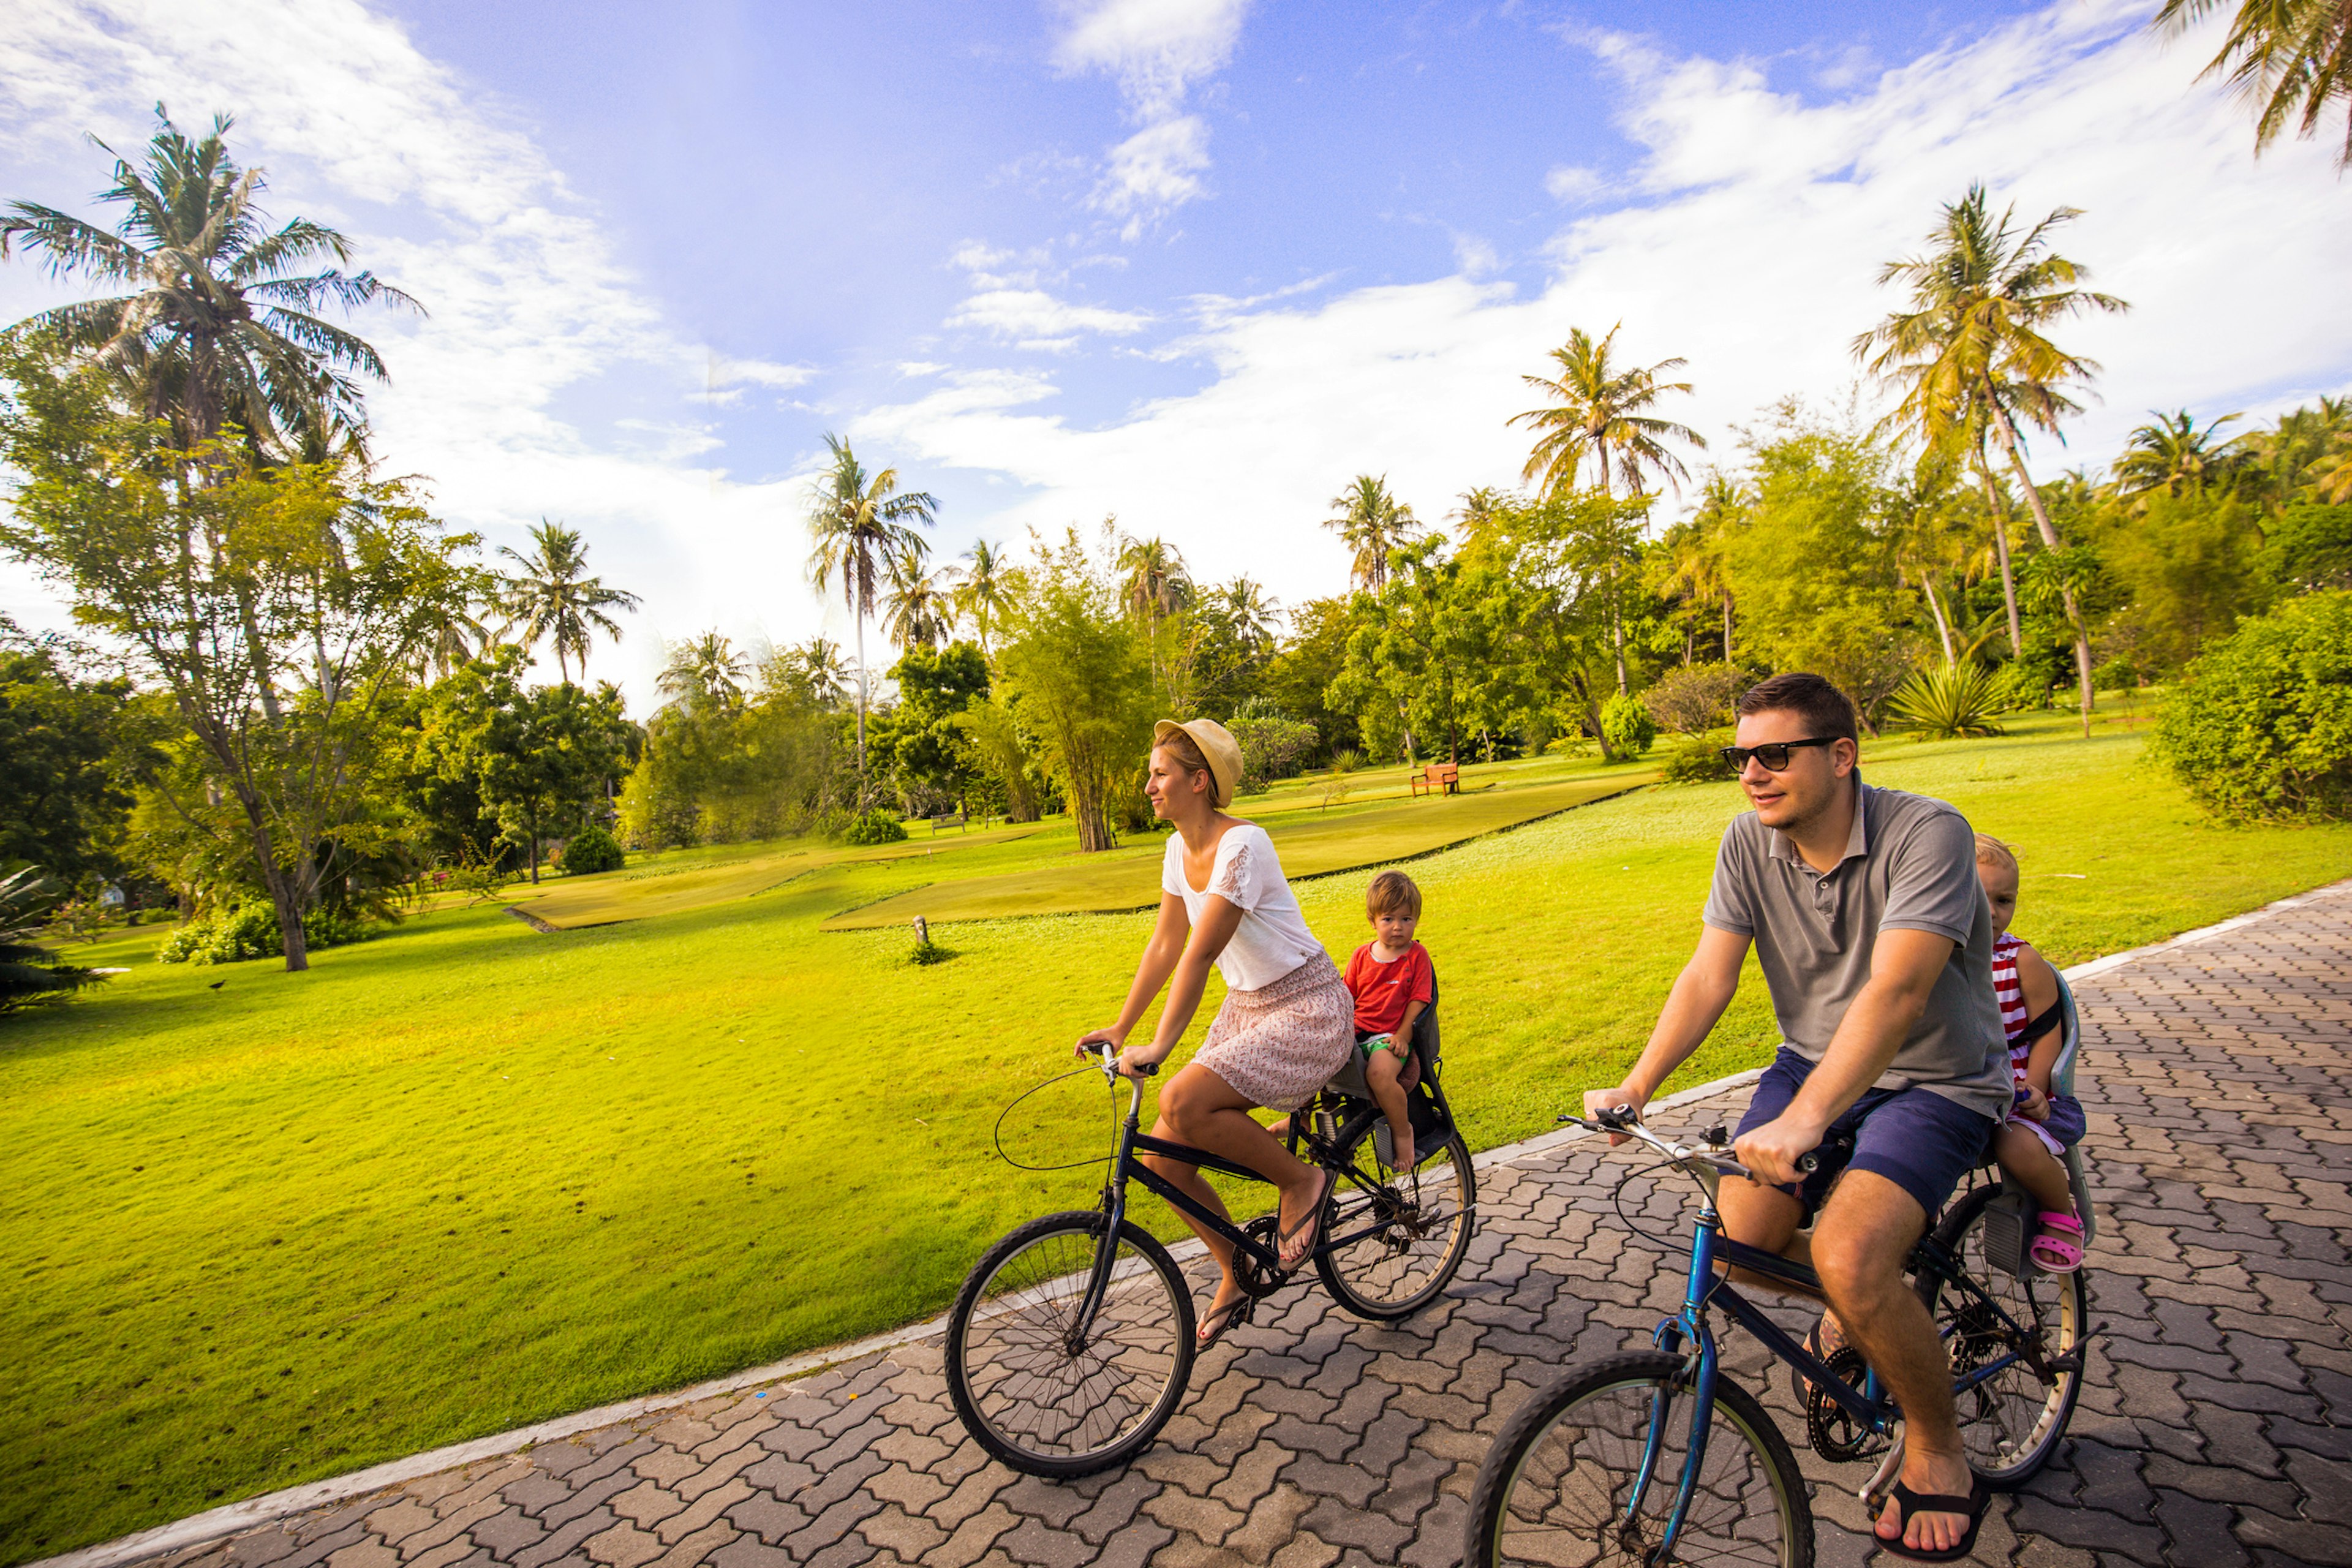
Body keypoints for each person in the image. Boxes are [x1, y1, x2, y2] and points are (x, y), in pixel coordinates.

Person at [1584, 672, 2010, 1564]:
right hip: (1811, 1063)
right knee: (1739, 1244)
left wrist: (1807, 1121)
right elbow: (1709, 975)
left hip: (1934, 1079)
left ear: (1842, 756)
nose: (1751, 774)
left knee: (1848, 1253)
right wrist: (1637, 1086)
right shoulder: (1748, 841)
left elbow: (1898, 992)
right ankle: (1869, 1314)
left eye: (1775, 754)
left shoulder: (1929, 833)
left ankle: (1938, 1449)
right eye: (1742, 757)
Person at [1076, 718, 1354, 1352]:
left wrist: (1161, 1048)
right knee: (1162, 1156)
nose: (1148, 785)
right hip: (1249, 1006)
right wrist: (1122, 1027)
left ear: (1199, 782)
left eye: (1160, 774)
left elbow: (1199, 956)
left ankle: (1300, 1182)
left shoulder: (1244, 846)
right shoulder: (1178, 848)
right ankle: (1236, 1269)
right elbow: (1166, 942)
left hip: (1308, 1008)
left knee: (1179, 1099)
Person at [1975, 834, 2087, 1272]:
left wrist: (2036, 1089)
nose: (1992, 912)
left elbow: (2047, 1034)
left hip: (2018, 1090)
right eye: (1977, 897)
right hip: (1954, 1086)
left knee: (2015, 1145)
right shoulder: (1928, 955)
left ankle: (2062, 1213)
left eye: (2004, 900)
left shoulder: (2020, 961)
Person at [1343, 870, 1435, 1173]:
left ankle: (1402, 1130)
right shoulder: (1361, 956)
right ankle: (1303, 1119)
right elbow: (1347, 997)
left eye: (1406, 919)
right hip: (1356, 1034)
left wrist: (1403, 1035)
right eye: (1388, 920)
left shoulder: (1416, 956)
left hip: (1389, 1037)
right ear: (1372, 921)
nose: (1398, 927)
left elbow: (1419, 1000)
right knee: (1313, 1058)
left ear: (1416, 920)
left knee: (1381, 1074)